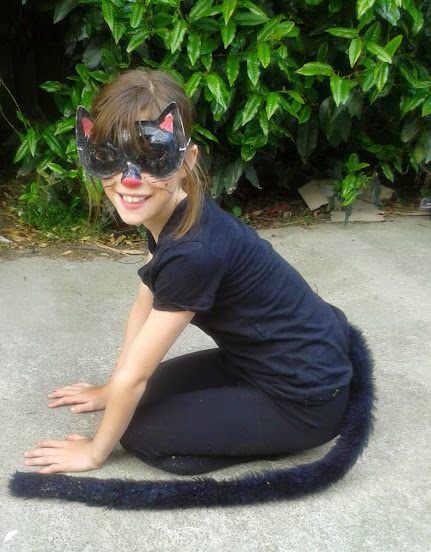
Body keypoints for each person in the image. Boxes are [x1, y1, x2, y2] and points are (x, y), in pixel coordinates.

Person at [22, 69, 354, 477]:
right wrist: (110, 390)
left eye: (153, 157)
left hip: (304, 401)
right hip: (253, 363)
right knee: (134, 398)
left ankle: (270, 437)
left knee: (139, 433)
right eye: (108, 155)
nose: (130, 180)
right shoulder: (174, 211)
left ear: (187, 160)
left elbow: (136, 376)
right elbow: (144, 304)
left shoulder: (194, 252)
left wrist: (94, 452)